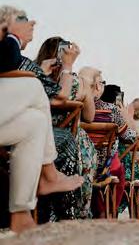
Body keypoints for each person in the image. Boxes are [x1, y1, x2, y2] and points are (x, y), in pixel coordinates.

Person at [0, 7, 83, 233]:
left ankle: (22, 214)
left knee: (36, 122)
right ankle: (65, 211)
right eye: (24, 22)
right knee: (67, 140)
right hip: (50, 130)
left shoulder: (30, 65)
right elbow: (62, 96)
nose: (32, 26)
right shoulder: (22, 61)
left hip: (21, 121)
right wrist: (67, 67)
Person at [34, 36, 98, 219]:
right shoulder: (77, 84)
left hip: (35, 141)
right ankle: (75, 212)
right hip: (68, 146)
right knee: (82, 144)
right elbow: (89, 117)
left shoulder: (34, 78)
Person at [79, 69, 136, 217]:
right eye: (102, 82)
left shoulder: (76, 109)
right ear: (98, 86)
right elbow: (129, 137)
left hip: (81, 165)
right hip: (104, 167)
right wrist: (127, 117)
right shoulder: (112, 110)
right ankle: (107, 212)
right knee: (118, 168)